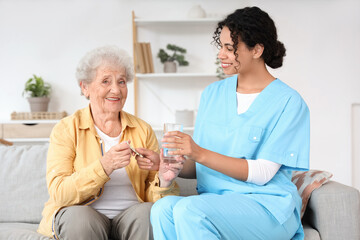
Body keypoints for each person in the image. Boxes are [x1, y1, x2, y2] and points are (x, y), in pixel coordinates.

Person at [150, 6, 310, 240]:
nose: (221, 54)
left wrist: (198, 152)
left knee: (190, 209)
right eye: (220, 46)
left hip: (266, 207)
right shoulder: (212, 94)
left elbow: (263, 172)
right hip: (215, 203)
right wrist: (170, 164)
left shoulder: (289, 102)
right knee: (162, 209)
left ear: (257, 50)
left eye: (229, 48)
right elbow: (202, 164)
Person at [37, 45, 183, 240]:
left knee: (149, 213)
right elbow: (60, 193)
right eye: (106, 81)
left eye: (121, 81)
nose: (116, 89)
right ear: (85, 87)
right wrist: (105, 166)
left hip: (131, 216)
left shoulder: (142, 130)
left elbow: (153, 199)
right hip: (83, 214)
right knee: (80, 219)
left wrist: (164, 181)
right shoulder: (66, 129)